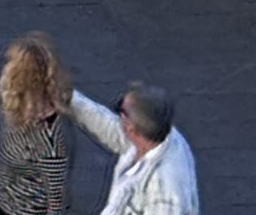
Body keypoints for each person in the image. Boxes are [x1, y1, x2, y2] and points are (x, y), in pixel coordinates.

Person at [64, 84, 200, 215]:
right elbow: (111, 130)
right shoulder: (156, 133)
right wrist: (69, 98)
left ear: (130, 128)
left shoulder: (164, 193)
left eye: (120, 108)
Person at [0, 34, 74, 215]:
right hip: (9, 201)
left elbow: (55, 204)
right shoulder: (19, 110)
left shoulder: (50, 143)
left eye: (9, 67)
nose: (4, 72)